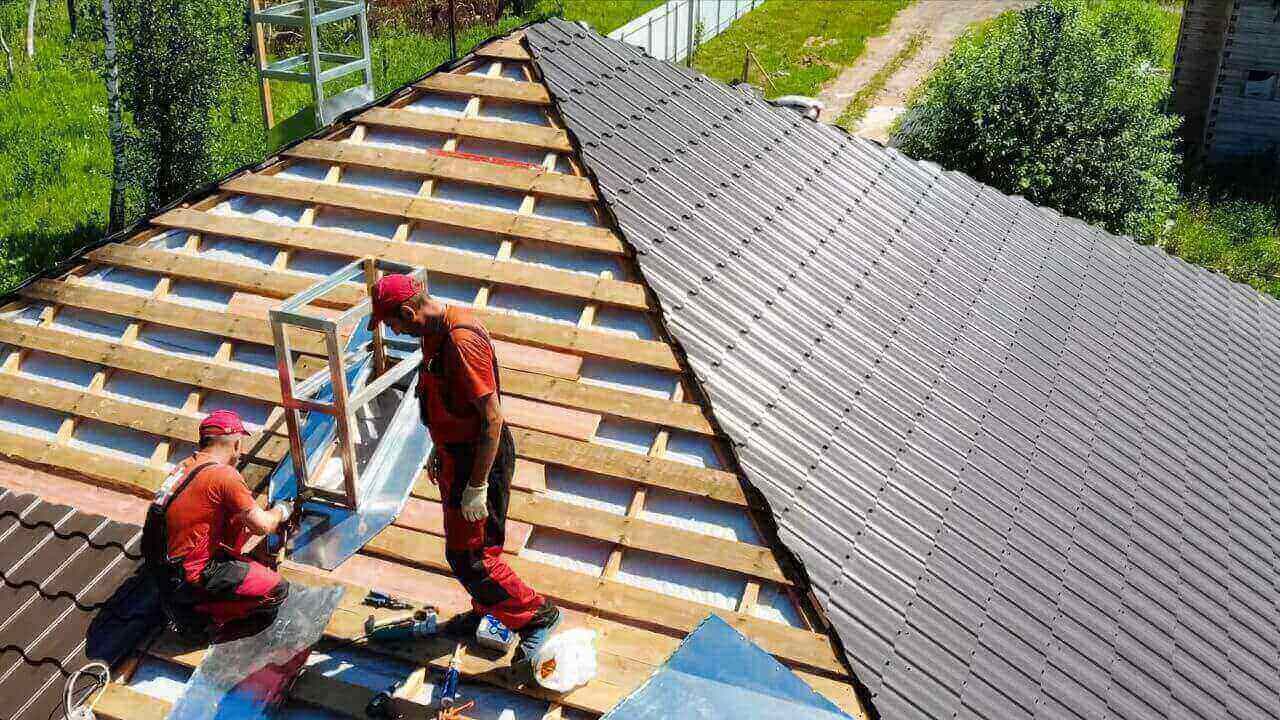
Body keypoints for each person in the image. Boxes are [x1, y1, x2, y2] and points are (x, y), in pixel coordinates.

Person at [368, 273, 560, 676]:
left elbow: (491, 420)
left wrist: (477, 484)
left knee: (473, 557)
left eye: (393, 323)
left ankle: (537, 617)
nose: (395, 330)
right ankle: (487, 609)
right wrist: (440, 449)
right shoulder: (434, 332)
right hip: (457, 455)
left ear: (408, 310)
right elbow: (440, 397)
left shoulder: (460, 341)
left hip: (479, 460)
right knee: (471, 548)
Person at [144, 409, 294, 635]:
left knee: (237, 520)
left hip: (165, 570)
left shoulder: (185, 466)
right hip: (192, 576)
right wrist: (282, 511)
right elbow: (262, 525)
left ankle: (194, 600)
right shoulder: (224, 475)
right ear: (236, 444)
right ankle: (203, 615)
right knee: (277, 590)